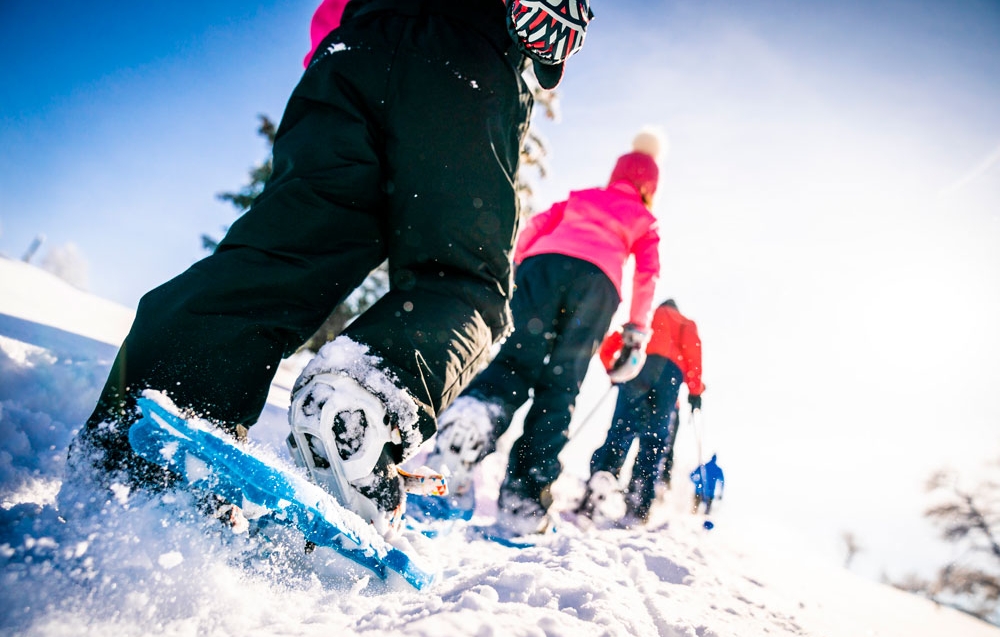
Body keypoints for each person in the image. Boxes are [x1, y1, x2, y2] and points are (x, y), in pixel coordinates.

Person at [60, 0, 594, 537]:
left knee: (285, 252)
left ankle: (151, 415)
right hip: (462, 62)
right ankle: (364, 392)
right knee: (459, 279)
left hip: (347, 51)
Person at [423, 130, 664, 535]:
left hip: (544, 266)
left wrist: (518, 273)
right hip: (598, 284)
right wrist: (637, 331)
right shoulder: (643, 218)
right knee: (560, 385)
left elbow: (534, 227)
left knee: (514, 360)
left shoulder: (580, 198)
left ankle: (476, 417)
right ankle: (525, 497)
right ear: (649, 186)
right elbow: (648, 273)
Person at [581, 298, 705, 525]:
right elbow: (693, 354)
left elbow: (610, 345)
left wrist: (614, 370)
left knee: (620, 432)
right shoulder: (685, 324)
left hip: (638, 367)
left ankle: (599, 487)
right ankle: (639, 505)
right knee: (654, 442)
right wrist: (696, 390)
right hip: (669, 377)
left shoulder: (645, 318)